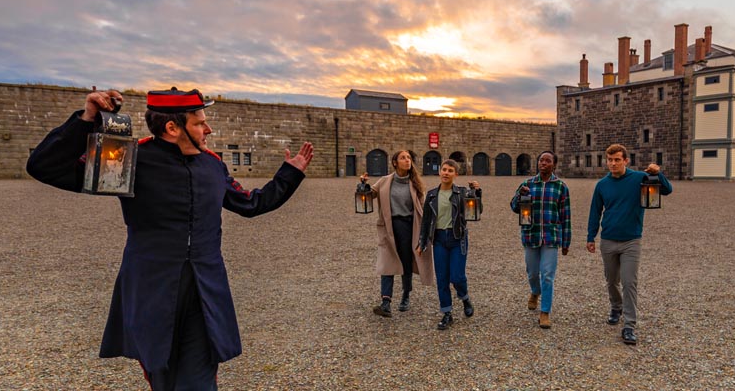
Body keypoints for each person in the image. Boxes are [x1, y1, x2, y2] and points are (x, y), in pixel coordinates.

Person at [26, 88, 314, 390]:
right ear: (172, 128)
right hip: (152, 292)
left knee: (198, 383)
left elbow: (252, 204)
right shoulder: (127, 161)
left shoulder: (212, 165)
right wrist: (87, 120)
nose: (208, 129)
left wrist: (289, 174)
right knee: (163, 380)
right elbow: (43, 166)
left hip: (204, 294)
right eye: (199, 123)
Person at [585, 144, 672, 345]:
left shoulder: (639, 178)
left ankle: (629, 326)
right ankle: (616, 307)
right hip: (608, 240)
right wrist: (591, 237)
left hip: (631, 240)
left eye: (617, 159)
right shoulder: (602, 185)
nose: (613, 163)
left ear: (626, 160)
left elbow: (667, 190)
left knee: (629, 282)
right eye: (610, 160)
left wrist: (658, 174)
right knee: (611, 280)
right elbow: (595, 212)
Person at [359, 150, 434, 317]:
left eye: (408, 158)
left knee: (406, 262)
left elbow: (422, 209)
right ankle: (386, 302)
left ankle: (406, 295)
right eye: (403, 158)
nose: (407, 160)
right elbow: (370, 195)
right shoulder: (385, 181)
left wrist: (425, 232)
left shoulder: (415, 183)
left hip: (409, 226)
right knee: (387, 261)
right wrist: (363, 185)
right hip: (389, 226)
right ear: (395, 162)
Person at [417, 160, 481, 330]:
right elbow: (426, 221)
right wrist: (422, 242)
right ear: (440, 172)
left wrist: (476, 192)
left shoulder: (461, 193)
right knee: (442, 278)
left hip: (457, 238)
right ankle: (447, 313)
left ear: (455, 174)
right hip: (438, 239)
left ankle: (465, 297)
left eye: (450, 170)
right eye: (444, 169)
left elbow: (476, 211)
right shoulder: (431, 195)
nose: (446, 172)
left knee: (457, 276)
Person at [509, 151, 570, 329]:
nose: (543, 163)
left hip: (551, 237)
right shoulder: (527, 184)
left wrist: (566, 242)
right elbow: (514, 207)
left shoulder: (560, 187)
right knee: (532, 273)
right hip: (531, 235)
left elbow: (566, 216)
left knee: (548, 276)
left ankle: (545, 312)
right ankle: (535, 292)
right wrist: (520, 196)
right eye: (541, 160)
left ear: (554, 165)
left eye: (548, 160)